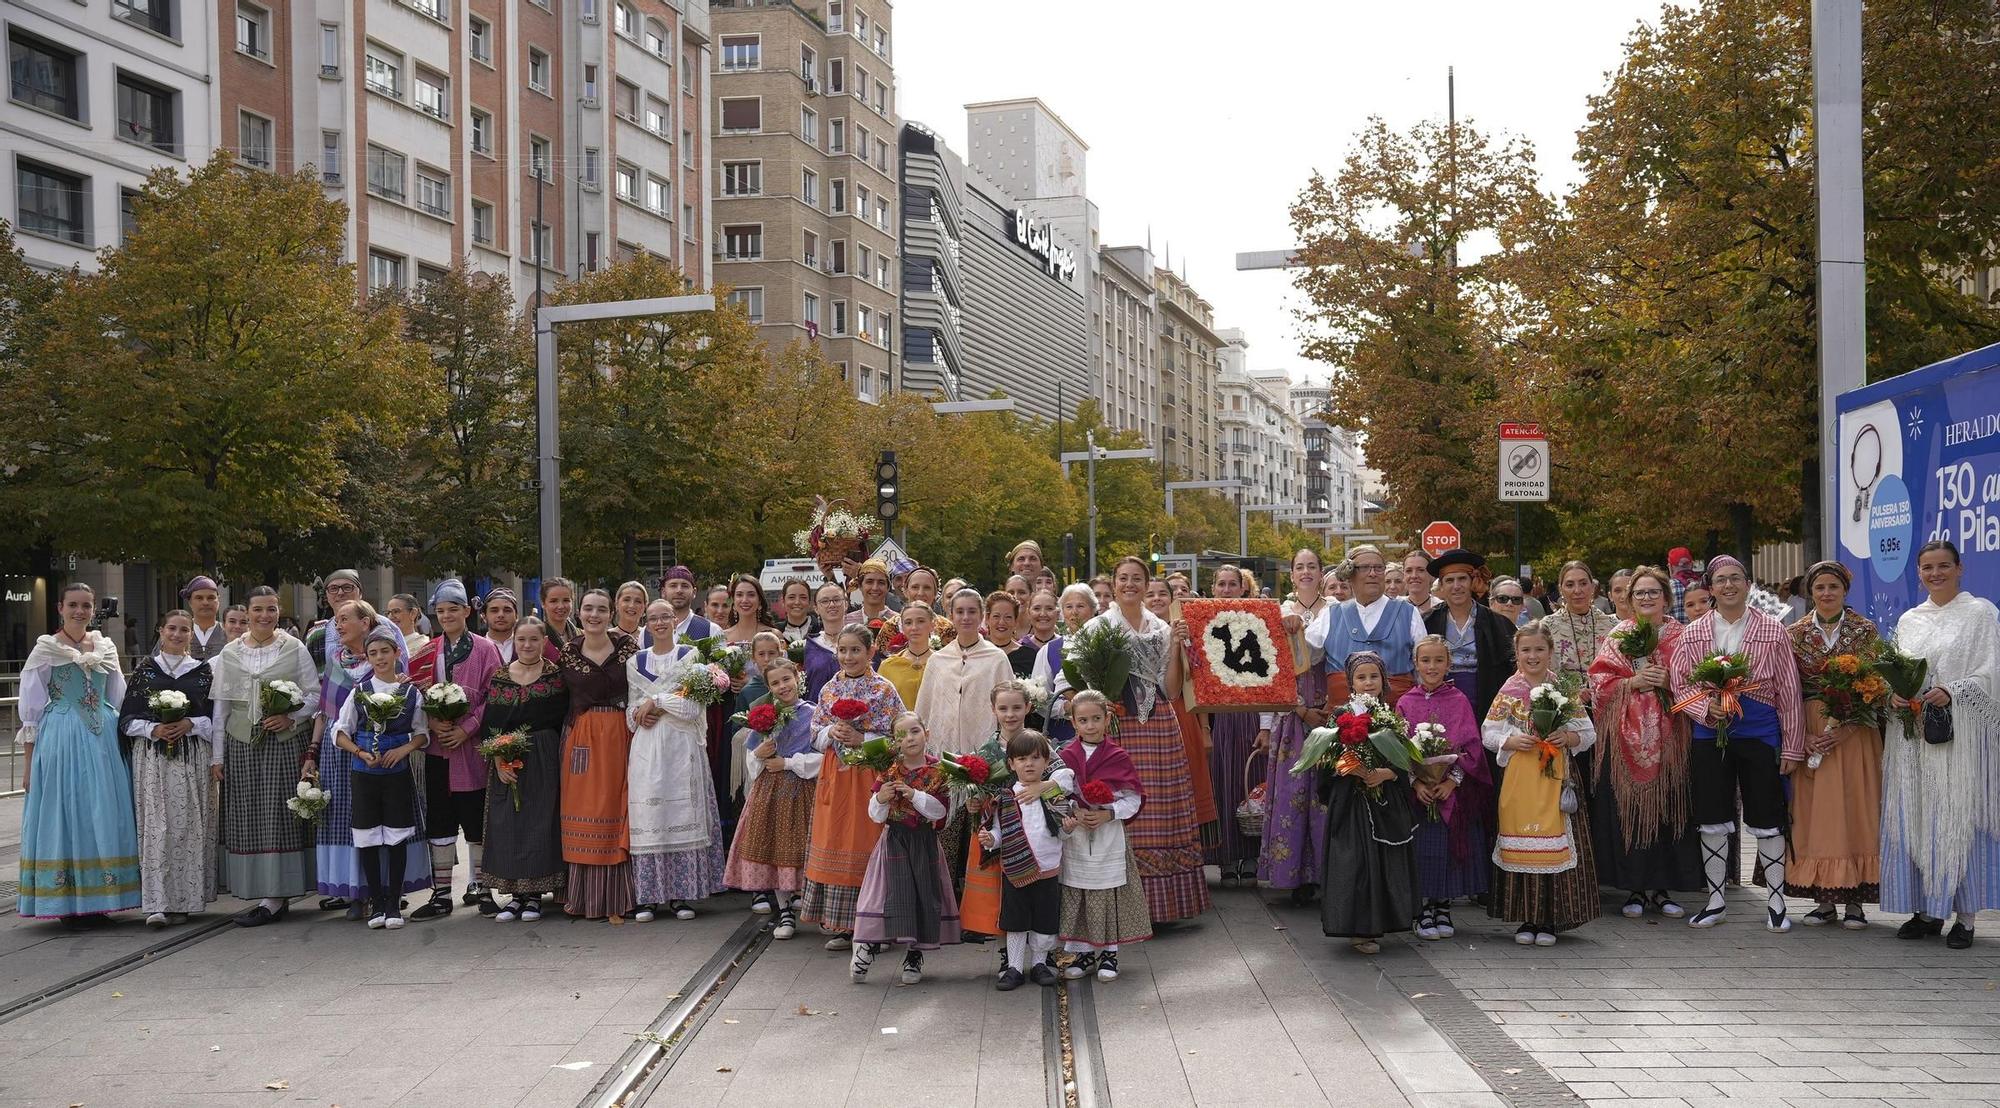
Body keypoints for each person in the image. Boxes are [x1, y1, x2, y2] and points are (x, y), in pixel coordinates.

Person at [1055, 556, 1210, 923]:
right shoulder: (1096, 627)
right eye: (1122, 578)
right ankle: (1118, 906)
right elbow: (1069, 686)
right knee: (1116, 801)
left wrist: (1174, 646)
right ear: (1113, 583)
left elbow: (1171, 690)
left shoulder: (1161, 627)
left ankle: (1161, 907)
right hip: (1115, 727)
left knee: (1159, 807)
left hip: (1157, 726)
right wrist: (1095, 703)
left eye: (1136, 579)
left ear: (1146, 584)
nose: (1129, 584)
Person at [1668, 554, 1805, 933]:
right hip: (1710, 733)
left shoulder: (1774, 630)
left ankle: (1777, 902)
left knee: (1768, 815)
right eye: (1721, 579)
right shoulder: (1692, 633)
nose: (1728, 585)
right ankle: (1716, 900)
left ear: (1748, 585)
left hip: (1760, 732)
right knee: (1712, 817)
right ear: (1710, 588)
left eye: (1736, 578)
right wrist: (1706, 707)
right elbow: (1680, 683)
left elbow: (1789, 691)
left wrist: (1792, 746)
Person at [1880, 540, 2000, 950]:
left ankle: (1964, 919)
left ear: (1960, 568)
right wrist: (1892, 695)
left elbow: (1992, 674)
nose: (1936, 573)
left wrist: (1956, 690)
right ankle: (1927, 911)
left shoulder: (1981, 614)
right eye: (1928, 567)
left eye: (1944, 566)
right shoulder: (1911, 619)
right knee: (1918, 818)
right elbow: (1895, 672)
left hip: (1959, 742)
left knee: (1958, 819)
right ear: (1918, 572)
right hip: (1913, 739)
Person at [18, 582, 140, 927]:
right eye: (73, 604)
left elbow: (118, 695)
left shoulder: (105, 647)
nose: (79, 611)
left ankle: (101, 897)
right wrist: (28, 766)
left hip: (101, 737)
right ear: (60, 607)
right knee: (66, 811)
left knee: (102, 810)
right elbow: (30, 711)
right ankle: (66, 901)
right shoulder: (46, 649)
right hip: (61, 737)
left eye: (86, 605)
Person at [1587, 565, 1701, 920]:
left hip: (1672, 737)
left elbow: (1699, 681)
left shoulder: (1683, 635)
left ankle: (1663, 889)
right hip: (1625, 739)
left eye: (1653, 592)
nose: (1646, 598)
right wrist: (1631, 683)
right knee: (1629, 814)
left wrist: (1669, 681)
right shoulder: (1619, 635)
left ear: (1666, 597)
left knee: (1668, 810)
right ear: (1629, 599)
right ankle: (1635, 888)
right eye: (1639, 593)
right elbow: (1598, 683)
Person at [210, 588, 320, 926]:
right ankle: (258, 889)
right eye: (257, 609)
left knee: (279, 814)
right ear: (247, 613)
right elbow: (221, 708)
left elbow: (315, 695)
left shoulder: (294, 647)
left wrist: (292, 717)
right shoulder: (230, 652)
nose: (264, 616)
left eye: (270, 609)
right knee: (248, 814)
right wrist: (217, 757)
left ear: (279, 611)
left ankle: (276, 894)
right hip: (241, 742)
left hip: (283, 741)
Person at [1485, 624, 1600, 946]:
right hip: (1521, 779)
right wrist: (1511, 739)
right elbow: (1488, 732)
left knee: (1555, 842)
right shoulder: (1510, 689)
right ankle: (1527, 917)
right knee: (1522, 843)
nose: (1532, 656)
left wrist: (1568, 736)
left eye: (1538, 650)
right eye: (1526, 650)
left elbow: (1588, 733)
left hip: (1556, 776)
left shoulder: (1562, 688)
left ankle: (1550, 918)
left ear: (1550, 652)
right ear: (1517, 654)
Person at [1785, 560, 1882, 930]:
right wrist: (1801, 734)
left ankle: (1856, 900)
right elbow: (1786, 689)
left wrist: (1849, 724)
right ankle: (1823, 899)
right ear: (1810, 592)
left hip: (1855, 733)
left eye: (1833, 587)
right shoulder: (1794, 633)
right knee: (1817, 815)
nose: (1826, 594)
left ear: (1845, 591)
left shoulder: (1865, 630)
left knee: (1855, 808)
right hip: (1812, 727)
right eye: (1819, 587)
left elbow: (1877, 683)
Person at [310, 599, 420, 918]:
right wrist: (312, 753)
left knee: (387, 821)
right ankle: (356, 893)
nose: (338, 625)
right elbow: (325, 710)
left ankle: (388, 892)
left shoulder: (388, 667)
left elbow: (412, 711)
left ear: (366, 623)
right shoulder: (336, 661)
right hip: (344, 749)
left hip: (387, 755)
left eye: (345, 619)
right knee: (353, 821)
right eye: (336, 619)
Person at [801, 624, 906, 948]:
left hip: (869, 776)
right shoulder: (830, 688)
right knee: (837, 841)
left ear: (871, 651)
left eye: (855, 650)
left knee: (868, 843)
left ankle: (880, 925)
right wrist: (830, 733)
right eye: (843, 650)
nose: (848, 656)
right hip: (836, 775)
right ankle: (846, 925)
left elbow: (899, 737)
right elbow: (815, 732)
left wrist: (865, 737)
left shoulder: (884, 690)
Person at [407, 578, 503, 921]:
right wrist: (432, 722)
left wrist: (467, 728)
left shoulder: (484, 648)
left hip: (471, 748)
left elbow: (495, 696)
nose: (446, 616)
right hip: (436, 750)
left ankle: (482, 887)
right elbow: (414, 694)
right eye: (441, 611)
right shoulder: (427, 650)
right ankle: (441, 892)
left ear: (467, 611)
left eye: (453, 609)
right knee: (440, 820)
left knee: (476, 819)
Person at [626, 600, 727, 922]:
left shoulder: (690, 657)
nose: (659, 623)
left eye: (664, 617)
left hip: (682, 747)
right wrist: (642, 712)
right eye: (652, 618)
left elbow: (693, 709)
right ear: (645, 622)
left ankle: (681, 896)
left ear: (674, 621)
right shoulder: (634, 662)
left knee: (681, 813)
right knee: (652, 819)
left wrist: (656, 701)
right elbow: (631, 715)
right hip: (648, 747)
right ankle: (649, 896)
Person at [118, 609, 219, 927]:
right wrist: (153, 729)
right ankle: (157, 902)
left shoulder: (202, 673)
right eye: (171, 628)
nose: (177, 634)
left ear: (192, 634)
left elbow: (215, 719)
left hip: (191, 756)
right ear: (160, 631)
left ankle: (186, 899)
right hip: (153, 758)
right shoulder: (145, 671)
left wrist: (190, 722)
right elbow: (126, 719)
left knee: (189, 826)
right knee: (157, 826)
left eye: (184, 630)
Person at [330, 626, 430, 930]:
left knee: (396, 835)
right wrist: (360, 753)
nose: (380, 658)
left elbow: (422, 733)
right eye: (373, 653)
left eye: (385, 651)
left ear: (397, 653)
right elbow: (340, 731)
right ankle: (375, 900)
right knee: (368, 836)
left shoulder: (411, 693)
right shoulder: (360, 692)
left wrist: (404, 749)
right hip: (365, 774)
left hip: (396, 772)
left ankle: (393, 902)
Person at [1318, 652, 1419, 954]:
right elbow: (1325, 760)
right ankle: (1360, 930)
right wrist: (1352, 767)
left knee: (1384, 860)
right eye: (1361, 677)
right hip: (1352, 803)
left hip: (1384, 800)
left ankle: (1384, 920)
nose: (1368, 682)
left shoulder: (1392, 715)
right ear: (1351, 683)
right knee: (1357, 863)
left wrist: (1386, 773)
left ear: (1383, 680)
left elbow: (1408, 759)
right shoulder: (1339, 716)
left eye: (1374, 676)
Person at [851, 713, 960, 984]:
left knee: (922, 895)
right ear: (894, 742)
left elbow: (941, 812)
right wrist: (881, 798)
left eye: (914, 731)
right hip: (893, 842)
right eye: (902, 735)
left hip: (924, 842)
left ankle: (914, 954)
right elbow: (875, 815)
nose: (909, 738)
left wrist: (915, 795)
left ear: (927, 733)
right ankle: (867, 946)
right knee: (882, 895)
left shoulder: (939, 770)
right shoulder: (889, 770)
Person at [557, 589, 642, 921]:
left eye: (601, 609)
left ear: (611, 614)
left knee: (618, 806)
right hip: (582, 735)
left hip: (621, 733)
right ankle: (582, 898)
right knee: (584, 808)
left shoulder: (627, 647)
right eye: (589, 609)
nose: (594, 615)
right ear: (579, 613)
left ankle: (620, 897)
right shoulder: (568, 651)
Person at [1397, 636, 1489, 940]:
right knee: (1422, 849)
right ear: (1415, 664)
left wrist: (1452, 781)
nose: (1432, 666)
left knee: (1446, 848)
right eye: (1426, 660)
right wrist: (1417, 780)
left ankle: (1443, 906)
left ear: (1449, 664)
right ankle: (1422, 908)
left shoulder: (1459, 700)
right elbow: (1398, 750)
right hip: (1420, 794)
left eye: (1439, 660)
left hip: (1450, 790)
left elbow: (1471, 747)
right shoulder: (1405, 702)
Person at [480, 617, 570, 922]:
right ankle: (514, 896)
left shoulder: (556, 677)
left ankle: (534, 896)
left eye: (534, 639)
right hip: (506, 757)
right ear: (514, 642)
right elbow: (490, 725)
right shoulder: (501, 677)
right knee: (509, 824)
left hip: (544, 757)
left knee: (540, 822)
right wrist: (498, 761)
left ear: (545, 641)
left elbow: (564, 721)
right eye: (522, 640)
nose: (528, 646)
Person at [1057, 690, 1151, 980]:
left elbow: (1132, 798)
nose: (1090, 725)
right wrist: (1075, 810)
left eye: (1096, 719)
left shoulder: (1117, 756)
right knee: (1079, 892)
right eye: (1083, 720)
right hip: (1078, 836)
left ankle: (1109, 954)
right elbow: (1057, 794)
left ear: (1107, 719)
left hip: (1108, 836)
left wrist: (1108, 813)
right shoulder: (1066, 756)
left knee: (1107, 893)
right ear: (1073, 722)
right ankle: (1083, 954)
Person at [725, 656, 820, 939]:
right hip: (771, 793)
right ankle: (785, 908)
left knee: (806, 846)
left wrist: (789, 763)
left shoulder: (812, 714)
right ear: (768, 687)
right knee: (776, 847)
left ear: (798, 679)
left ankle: (815, 905)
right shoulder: (766, 716)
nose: (782, 686)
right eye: (775, 683)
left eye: (786, 679)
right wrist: (759, 754)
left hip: (803, 790)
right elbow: (751, 762)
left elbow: (823, 758)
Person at [1260, 549, 1333, 905]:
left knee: (1323, 794)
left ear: (1322, 573)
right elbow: (1270, 672)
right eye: (1299, 567)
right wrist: (1301, 710)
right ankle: (1292, 875)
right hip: (1293, 713)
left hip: (1328, 710)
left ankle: (1324, 872)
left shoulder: (1335, 610)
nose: (1306, 572)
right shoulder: (1278, 612)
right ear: (1291, 575)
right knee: (1293, 791)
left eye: (1312, 566)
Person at [983, 728, 1072, 989]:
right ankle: (1013, 967)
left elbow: (1063, 833)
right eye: (1022, 759)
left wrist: (1068, 827)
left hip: (1047, 870)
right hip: (1016, 870)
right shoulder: (1006, 798)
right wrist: (991, 840)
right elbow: (999, 831)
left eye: (1035, 758)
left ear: (1046, 762)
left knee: (1045, 919)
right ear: (1011, 764)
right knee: (1016, 920)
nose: (1029, 764)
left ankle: (1040, 964)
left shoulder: (1054, 795)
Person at [1205, 563, 1271, 884]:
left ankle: (1253, 856)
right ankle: (1226, 858)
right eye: (1222, 584)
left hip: (1251, 709)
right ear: (1214, 588)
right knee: (1224, 783)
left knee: (1253, 782)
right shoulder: (1204, 621)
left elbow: (1269, 676)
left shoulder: (1257, 619)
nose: (1227, 589)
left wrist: (1266, 724)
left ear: (1243, 588)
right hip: (1220, 713)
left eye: (1233, 584)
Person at [1305, 544, 1427, 706]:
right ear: (1350, 574)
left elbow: (1424, 667)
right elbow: (1303, 658)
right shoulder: (1330, 614)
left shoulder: (1408, 613)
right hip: (1341, 724)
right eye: (1364, 568)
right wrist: (1292, 630)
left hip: (1397, 721)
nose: (1373, 573)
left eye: (1378, 568)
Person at [1425, 551, 1517, 721]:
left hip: (1486, 701)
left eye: (1462, 579)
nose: (1456, 586)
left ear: (1472, 581)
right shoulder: (1427, 621)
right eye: (1450, 580)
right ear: (1442, 586)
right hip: (1440, 702)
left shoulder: (1498, 624)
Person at [1542, 561, 1620, 698]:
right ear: (1561, 589)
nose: (1577, 590)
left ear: (1593, 587)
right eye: (1570, 585)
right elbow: (1541, 672)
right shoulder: (1547, 626)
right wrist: (1570, 693)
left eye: (1583, 583)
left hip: (1607, 706)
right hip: (1565, 710)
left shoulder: (1612, 625)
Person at [876, 601, 936, 712]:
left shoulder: (943, 662)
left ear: (932, 625)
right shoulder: (888, 665)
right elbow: (881, 706)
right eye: (908, 623)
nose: (914, 627)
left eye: (921, 621)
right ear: (902, 627)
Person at [802, 581, 847, 700]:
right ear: (816, 608)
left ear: (845, 604)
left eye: (837, 600)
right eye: (825, 601)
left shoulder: (860, 641)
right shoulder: (808, 646)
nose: (831, 604)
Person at [662, 566, 717, 642]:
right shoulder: (646, 633)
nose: (679, 590)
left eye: (685, 586)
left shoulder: (711, 630)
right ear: (663, 592)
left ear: (694, 592)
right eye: (673, 586)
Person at [183, 576, 228, 662]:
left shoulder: (228, 632)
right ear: (190, 602)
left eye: (211, 598)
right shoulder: (175, 632)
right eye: (199, 598)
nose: (205, 602)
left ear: (218, 600)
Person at [385, 593, 430, 660]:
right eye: (388, 613)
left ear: (413, 613)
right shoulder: (384, 643)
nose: (390, 617)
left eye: (396, 611)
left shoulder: (423, 645)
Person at [482, 588, 520, 663]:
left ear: (516, 616)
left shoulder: (528, 646)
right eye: (494, 610)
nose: (501, 615)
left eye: (507, 610)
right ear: (484, 616)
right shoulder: (475, 649)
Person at [541, 577, 579, 647]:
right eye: (554, 601)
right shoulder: (536, 636)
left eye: (566, 600)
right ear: (543, 603)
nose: (561, 606)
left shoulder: (582, 636)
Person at [777, 579, 816, 645]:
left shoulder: (821, 628)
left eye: (803, 597)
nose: (797, 602)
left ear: (809, 602)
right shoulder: (776, 632)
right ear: (783, 601)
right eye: (791, 597)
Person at [1402, 550, 1441, 617]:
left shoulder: (1441, 609)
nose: (1414, 576)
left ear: (1431, 575)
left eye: (1421, 570)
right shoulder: (1394, 608)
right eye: (1409, 571)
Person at [986, 591, 1024, 657]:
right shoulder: (977, 653)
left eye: (1008, 617)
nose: (1001, 622)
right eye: (996, 616)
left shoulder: (1028, 656)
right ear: (987, 618)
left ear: (1016, 621)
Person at [1668, 547, 1699, 620]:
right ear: (1691, 564)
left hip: (1676, 631)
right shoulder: (1702, 584)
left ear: (1670, 567)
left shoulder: (1667, 587)